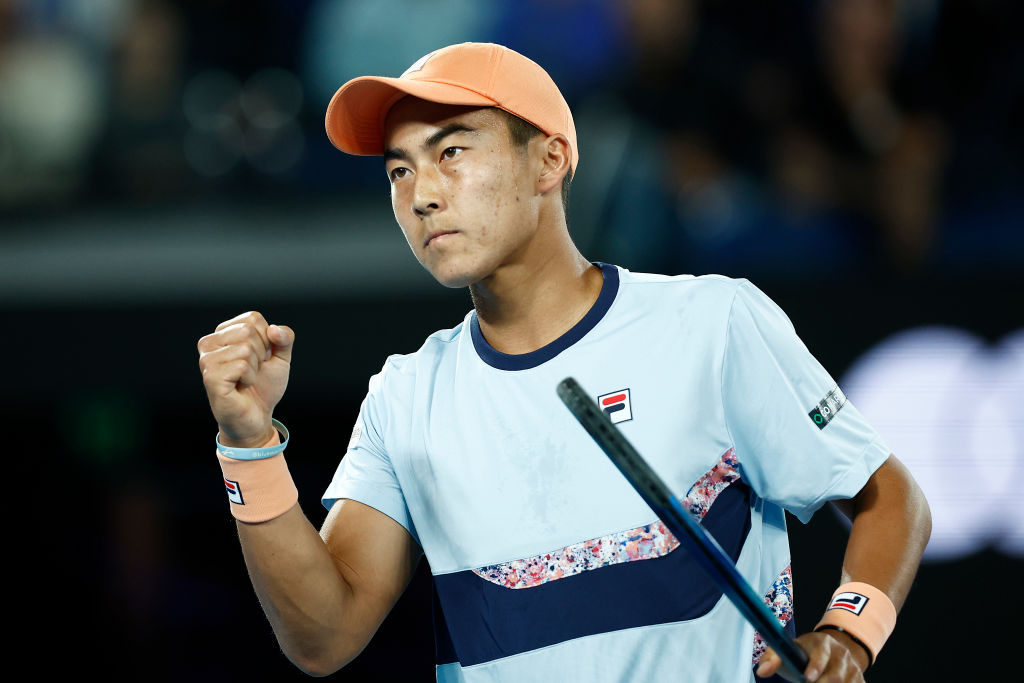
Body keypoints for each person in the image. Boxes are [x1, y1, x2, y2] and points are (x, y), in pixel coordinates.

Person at [197, 43, 931, 682]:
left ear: (549, 157)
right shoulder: (404, 396)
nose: (421, 195)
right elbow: (321, 638)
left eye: (452, 151)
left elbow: (890, 496)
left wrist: (848, 632)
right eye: (398, 171)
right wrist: (249, 444)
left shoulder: (713, 322)